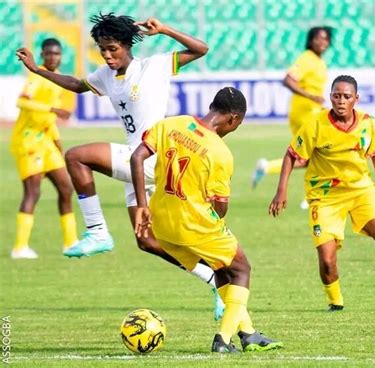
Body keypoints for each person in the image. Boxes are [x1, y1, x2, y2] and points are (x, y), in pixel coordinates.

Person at [16, 13, 225, 320]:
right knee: (147, 241)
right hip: (135, 163)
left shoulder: (153, 66)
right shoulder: (105, 75)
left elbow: (201, 49)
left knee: (75, 156)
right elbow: (76, 84)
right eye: (102, 49)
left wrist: (165, 29)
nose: (107, 55)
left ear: (127, 45)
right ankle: (216, 282)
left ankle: (98, 231)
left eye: (112, 48)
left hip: (153, 157)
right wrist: (37, 70)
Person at [131, 87, 283, 353]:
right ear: (234, 119)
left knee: (222, 269)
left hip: (162, 225)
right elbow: (221, 207)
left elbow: (137, 157)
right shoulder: (219, 152)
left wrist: (142, 205)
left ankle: (248, 333)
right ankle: (222, 340)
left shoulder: (171, 124)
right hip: (195, 225)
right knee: (241, 269)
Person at [269, 75, 375, 312]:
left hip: (362, 192)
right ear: (331, 96)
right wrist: (281, 191)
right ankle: (336, 304)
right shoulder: (316, 124)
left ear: (356, 99)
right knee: (327, 259)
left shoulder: (368, 123)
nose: (341, 101)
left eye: (346, 97)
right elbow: (292, 154)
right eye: (336, 96)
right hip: (325, 198)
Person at [10, 38, 77, 259]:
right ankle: (20, 247)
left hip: (46, 142)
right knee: (33, 191)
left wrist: (57, 141)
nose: (52, 57)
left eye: (56, 54)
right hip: (28, 142)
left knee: (66, 189)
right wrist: (53, 109)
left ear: (60, 56)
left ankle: (71, 243)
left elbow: (48, 118)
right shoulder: (36, 76)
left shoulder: (56, 81)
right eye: (48, 54)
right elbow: (21, 102)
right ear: (42, 55)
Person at [253, 26, 331, 210]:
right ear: (311, 40)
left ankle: (266, 167)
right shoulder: (306, 59)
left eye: (326, 39)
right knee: (322, 153)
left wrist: (318, 102)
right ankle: (313, 196)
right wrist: (311, 97)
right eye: (319, 38)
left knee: (308, 158)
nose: (322, 42)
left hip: (311, 110)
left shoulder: (318, 61)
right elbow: (287, 80)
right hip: (305, 112)